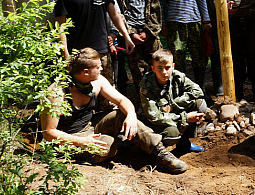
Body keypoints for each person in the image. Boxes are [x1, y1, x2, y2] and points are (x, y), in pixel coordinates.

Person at [39, 47, 188, 174]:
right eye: (98, 67)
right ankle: (123, 149)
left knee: (121, 114)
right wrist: (81, 141)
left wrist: (130, 115)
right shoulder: (57, 93)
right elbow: (48, 133)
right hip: (71, 137)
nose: (102, 69)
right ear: (85, 72)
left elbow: (122, 100)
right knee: (107, 146)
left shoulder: (96, 81)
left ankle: (161, 153)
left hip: (91, 125)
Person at [54, 0, 135, 88]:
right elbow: (61, 28)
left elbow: (115, 15)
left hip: (102, 52)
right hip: (78, 55)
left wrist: (127, 37)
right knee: (81, 96)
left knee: (107, 94)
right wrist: (65, 54)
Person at [158, 0, 211, 92]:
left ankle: (200, 90)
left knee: (199, 59)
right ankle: (180, 91)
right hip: (175, 23)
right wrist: (162, 23)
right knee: (177, 59)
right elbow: (160, 1)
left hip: (195, 22)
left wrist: (206, 20)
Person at [139, 49, 206, 153]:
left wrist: (173, 105)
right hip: (153, 122)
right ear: (153, 68)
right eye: (159, 68)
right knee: (172, 133)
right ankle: (157, 150)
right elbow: (155, 117)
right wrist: (185, 118)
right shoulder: (146, 86)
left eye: (167, 68)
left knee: (200, 104)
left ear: (173, 66)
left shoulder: (177, 76)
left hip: (170, 112)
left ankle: (184, 143)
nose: (164, 72)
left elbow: (197, 91)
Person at [112, 0, 163, 88]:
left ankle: (162, 98)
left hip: (149, 33)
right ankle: (142, 102)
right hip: (130, 35)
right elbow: (117, 13)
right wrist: (130, 34)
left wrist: (147, 32)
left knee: (160, 64)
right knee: (138, 72)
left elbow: (155, 10)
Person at [90, 0, 126, 92]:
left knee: (110, 81)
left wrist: (114, 35)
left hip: (108, 43)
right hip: (90, 45)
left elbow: (115, 15)